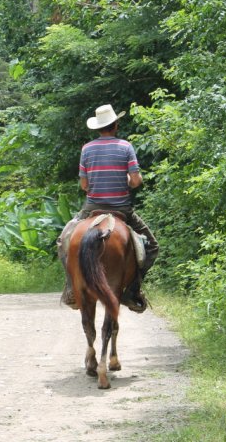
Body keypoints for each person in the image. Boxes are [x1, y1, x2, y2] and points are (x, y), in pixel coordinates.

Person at [58, 104, 159, 312]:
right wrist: (127, 182)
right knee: (152, 246)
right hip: (122, 209)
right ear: (116, 125)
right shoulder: (126, 147)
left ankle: (70, 288)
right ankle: (132, 290)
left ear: (98, 128)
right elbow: (136, 180)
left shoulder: (86, 149)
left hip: (92, 208)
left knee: (63, 241)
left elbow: (84, 186)